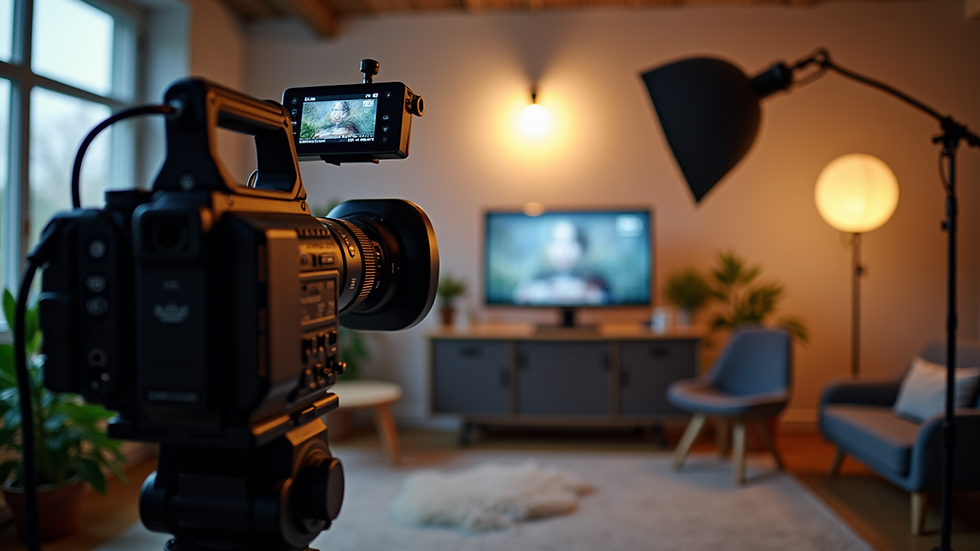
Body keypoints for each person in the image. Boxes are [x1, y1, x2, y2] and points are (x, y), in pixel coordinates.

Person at [513, 220, 610, 305]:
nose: (564, 250)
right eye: (557, 241)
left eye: (572, 242)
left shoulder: (598, 283)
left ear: (582, 247)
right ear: (548, 247)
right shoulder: (535, 281)